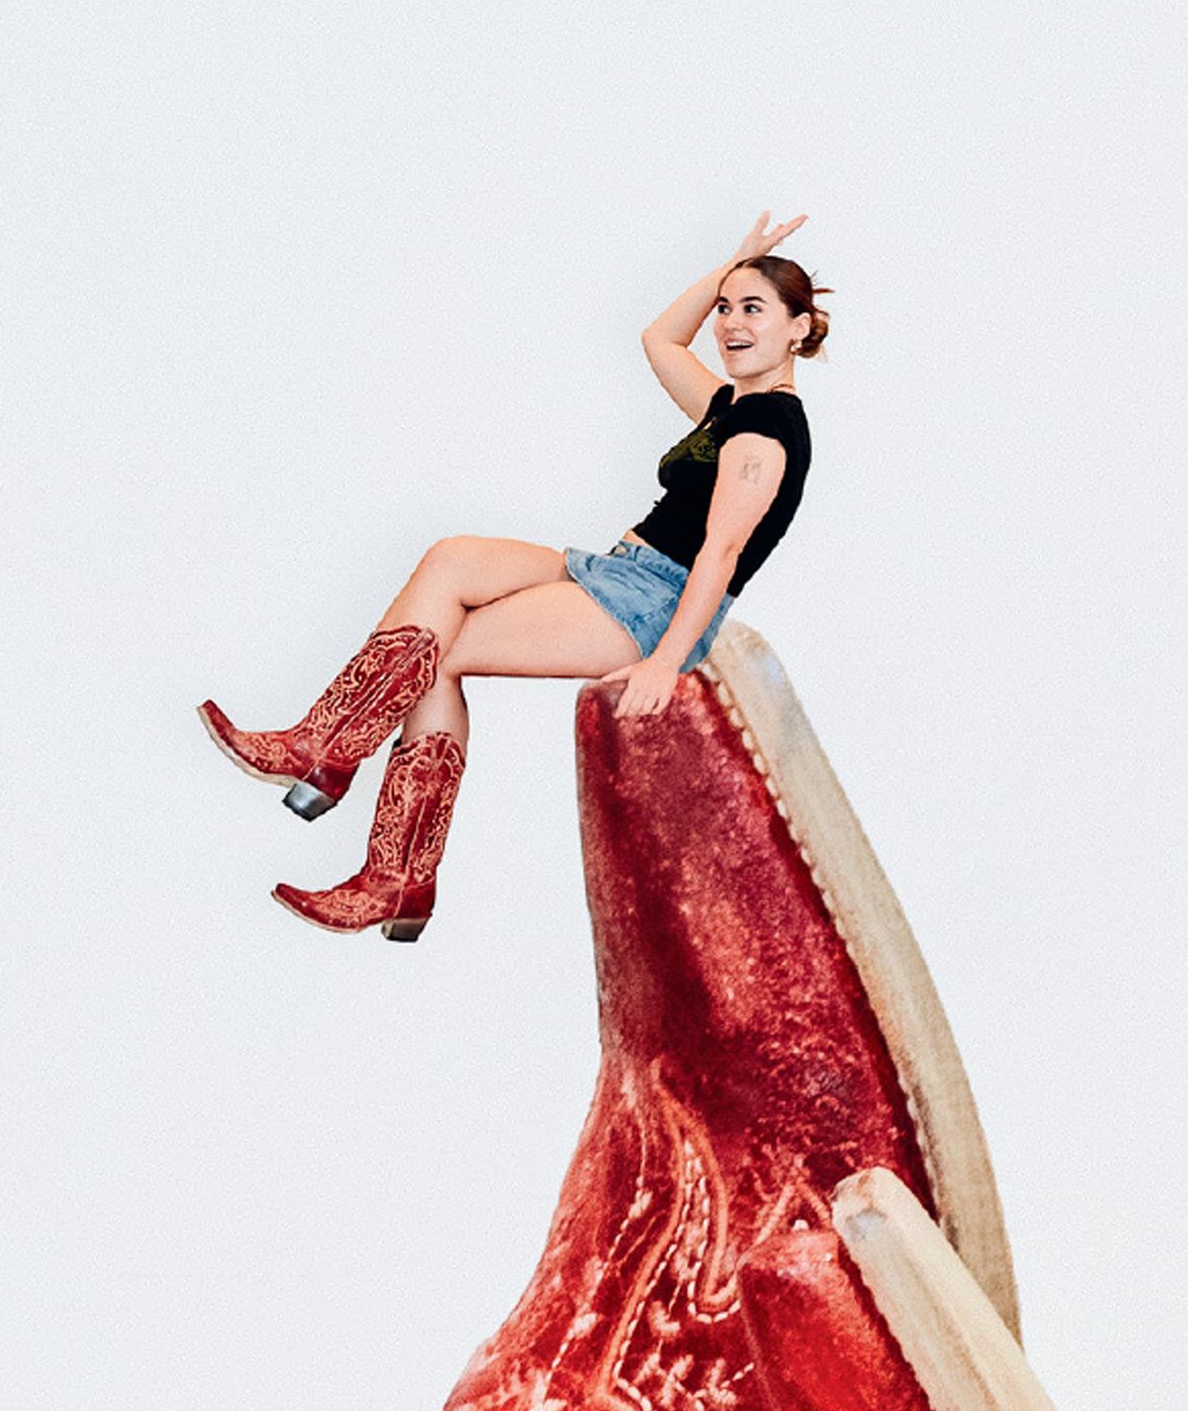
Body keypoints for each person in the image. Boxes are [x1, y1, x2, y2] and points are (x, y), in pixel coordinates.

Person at [198, 213, 830, 943]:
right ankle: (325, 748)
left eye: (752, 309)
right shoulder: (730, 408)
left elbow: (720, 553)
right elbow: (660, 339)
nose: (730, 324)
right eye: (724, 307)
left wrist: (663, 662)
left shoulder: (767, 431)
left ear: (798, 329)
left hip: (654, 604)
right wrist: (734, 263)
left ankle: (394, 872)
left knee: (441, 653)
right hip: (617, 570)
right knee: (452, 558)